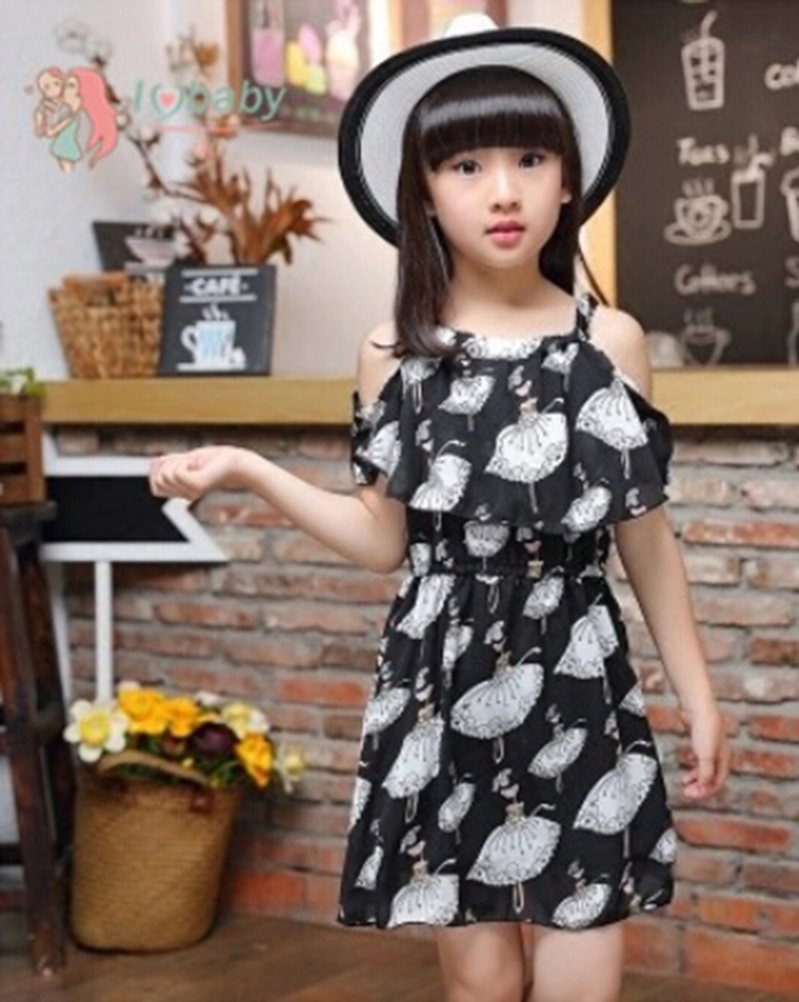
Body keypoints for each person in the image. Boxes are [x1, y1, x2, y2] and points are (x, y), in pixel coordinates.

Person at [149, 20, 730, 1002]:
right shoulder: (395, 353)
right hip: (440, 682)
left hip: (578, 676)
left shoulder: (610, 343)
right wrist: (249, 470)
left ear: (568, 180)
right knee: (482, 983)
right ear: (422, 190)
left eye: (530, 159)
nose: (503, 191)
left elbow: (646, 541)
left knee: (582, 975)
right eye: (466, 165)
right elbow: (383, 542)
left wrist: (698, 694)